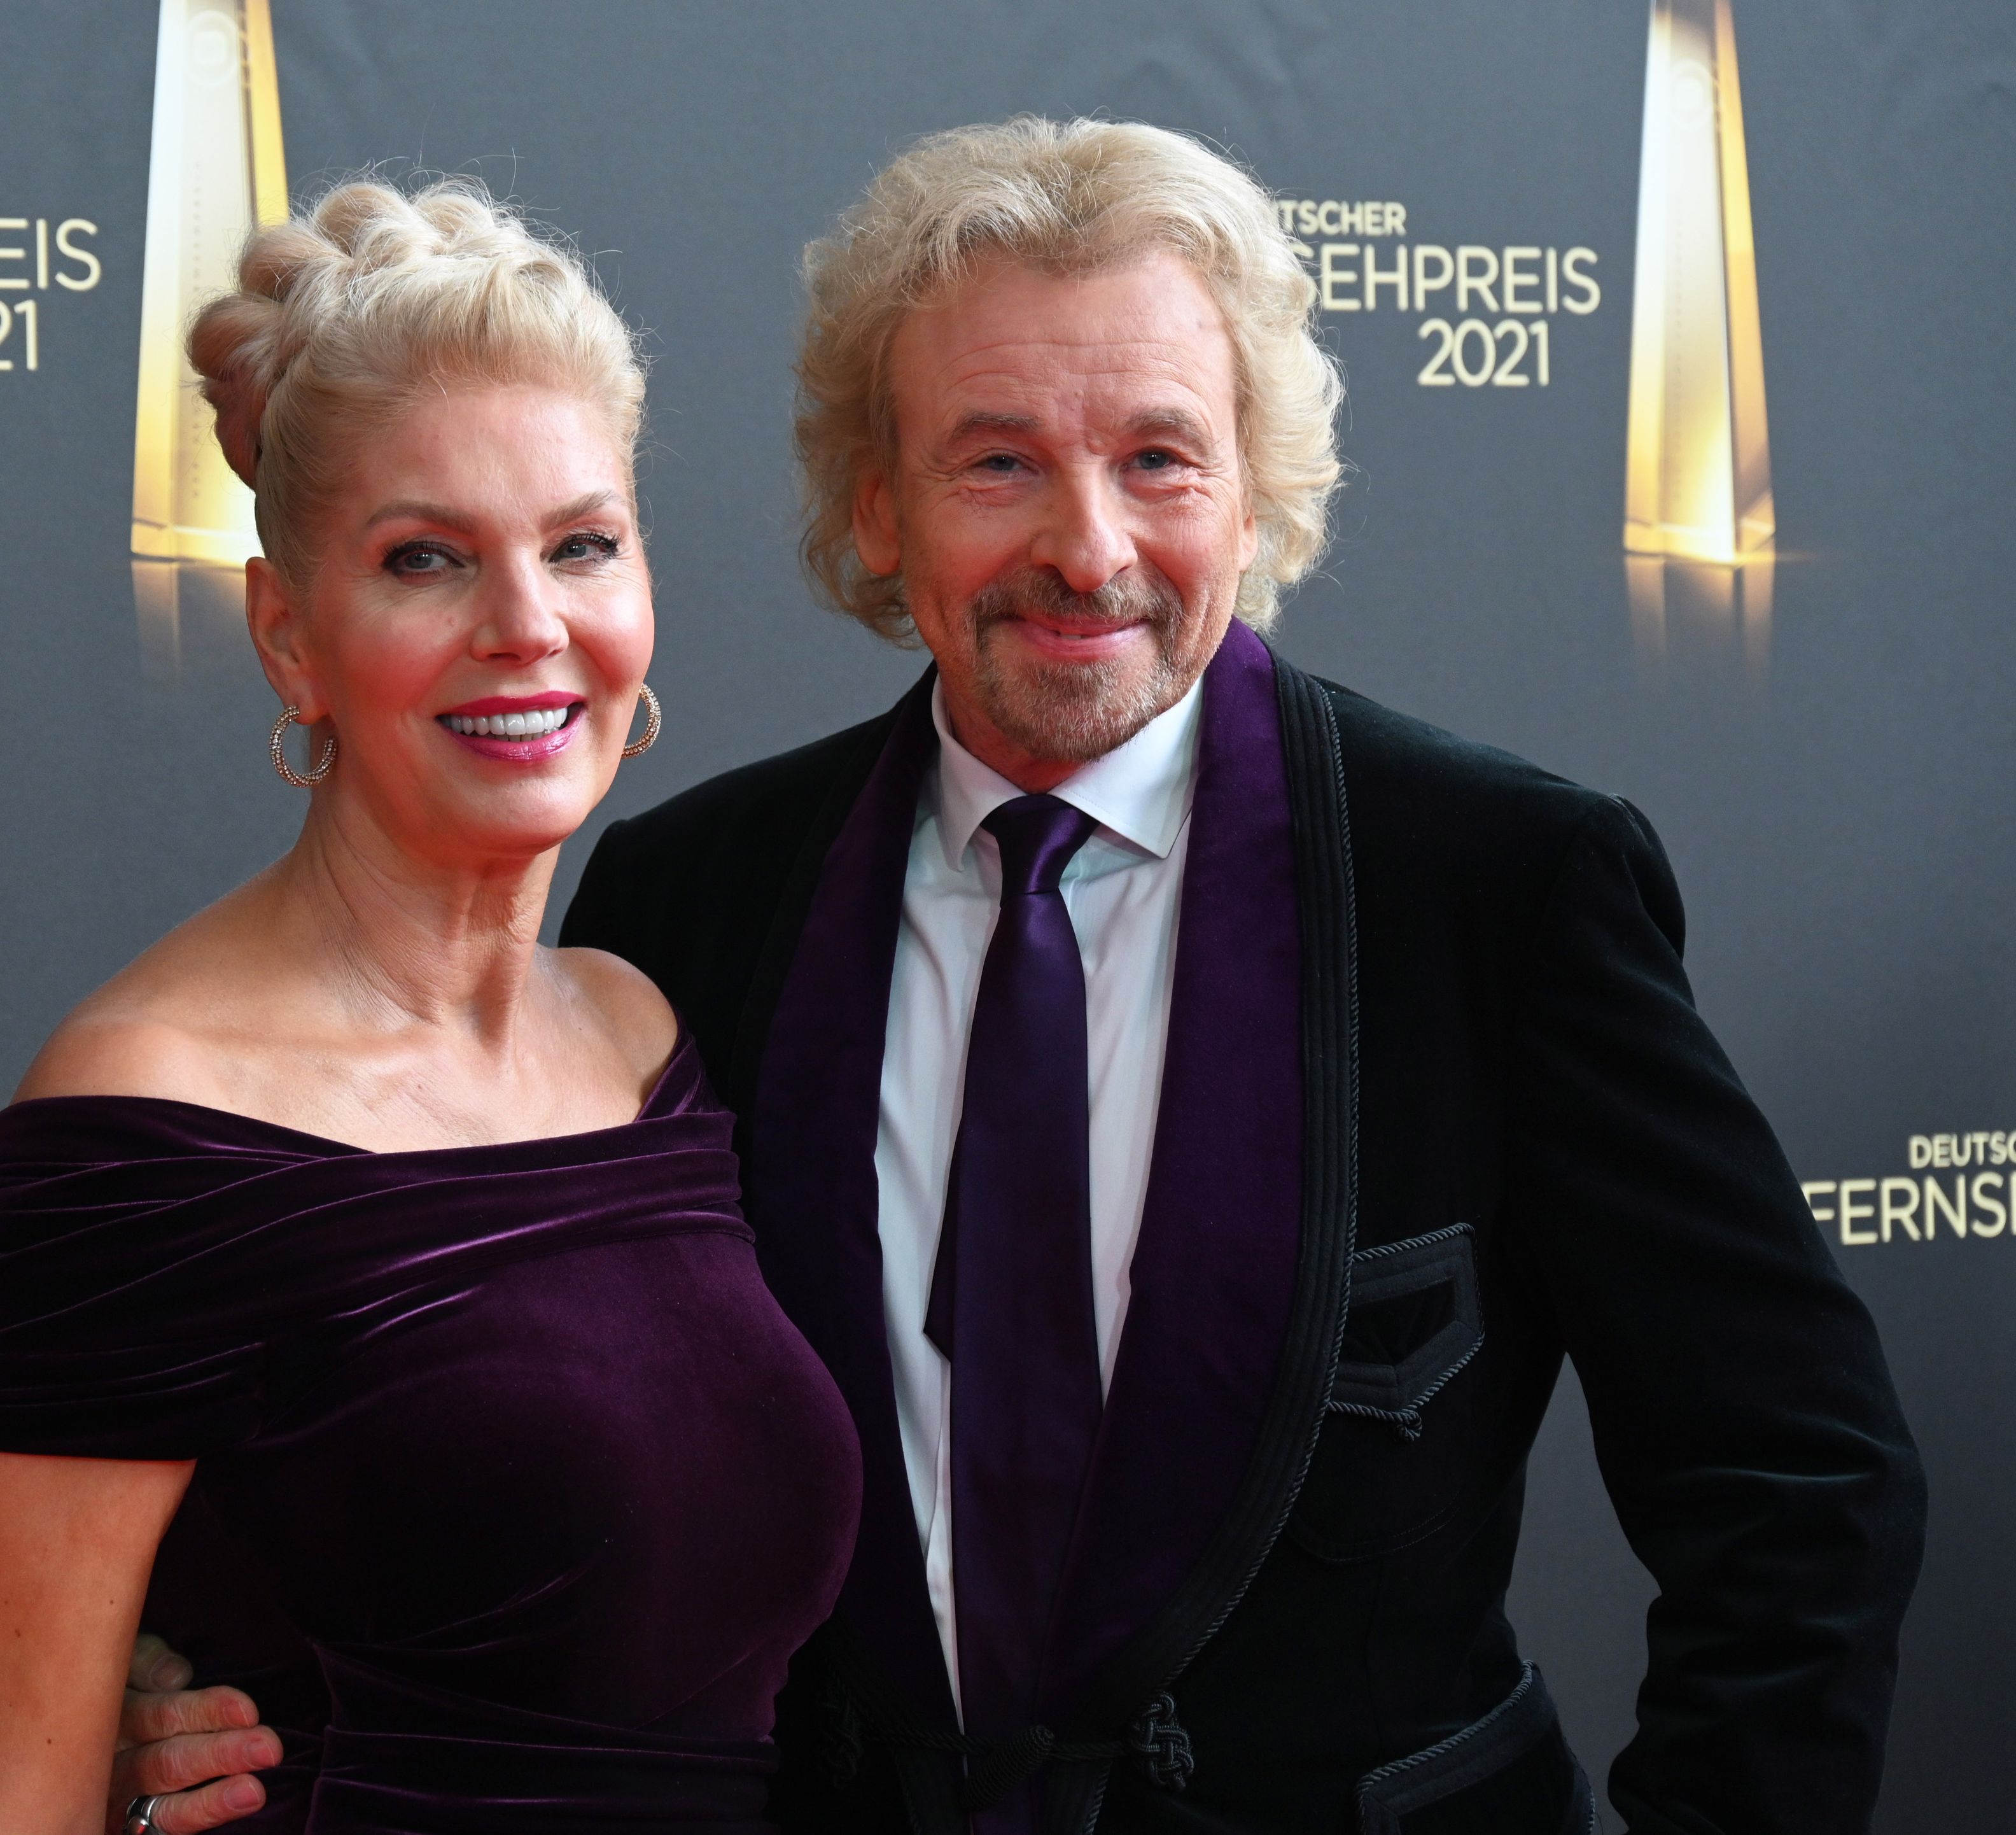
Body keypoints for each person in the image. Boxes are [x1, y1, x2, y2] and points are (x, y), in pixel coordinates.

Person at [108, 119, 1925, 1835]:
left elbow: (1798, 1481)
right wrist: (225, 1669)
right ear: (878, 505)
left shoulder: (1498, 884)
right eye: (998, 459)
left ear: (1253, 485)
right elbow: (539, 1434)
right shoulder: (685, 907)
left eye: (1156, 455)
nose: (1088, 545)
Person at [0, 176, 861, 1835]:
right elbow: (5, 1804)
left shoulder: (641, 1034)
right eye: (428, 559)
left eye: (581, 544)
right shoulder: (138, 1127)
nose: (528, 626)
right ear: (291, 635)